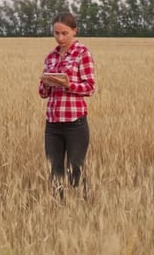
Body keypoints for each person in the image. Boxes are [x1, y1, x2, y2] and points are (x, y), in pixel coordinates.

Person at [39, 12, 96, 199]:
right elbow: (42, 93)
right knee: (54, 172)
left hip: (75, 124)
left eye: (64, 33)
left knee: (75, 172)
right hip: (53, 124)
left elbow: (89, 87)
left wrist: (67, 84)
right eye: (56, 33)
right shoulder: (50, 57)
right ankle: (59, 211)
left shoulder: (83, 54)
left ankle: (85, 209)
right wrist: (46, 83)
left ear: (74, 31)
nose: (60, 38)